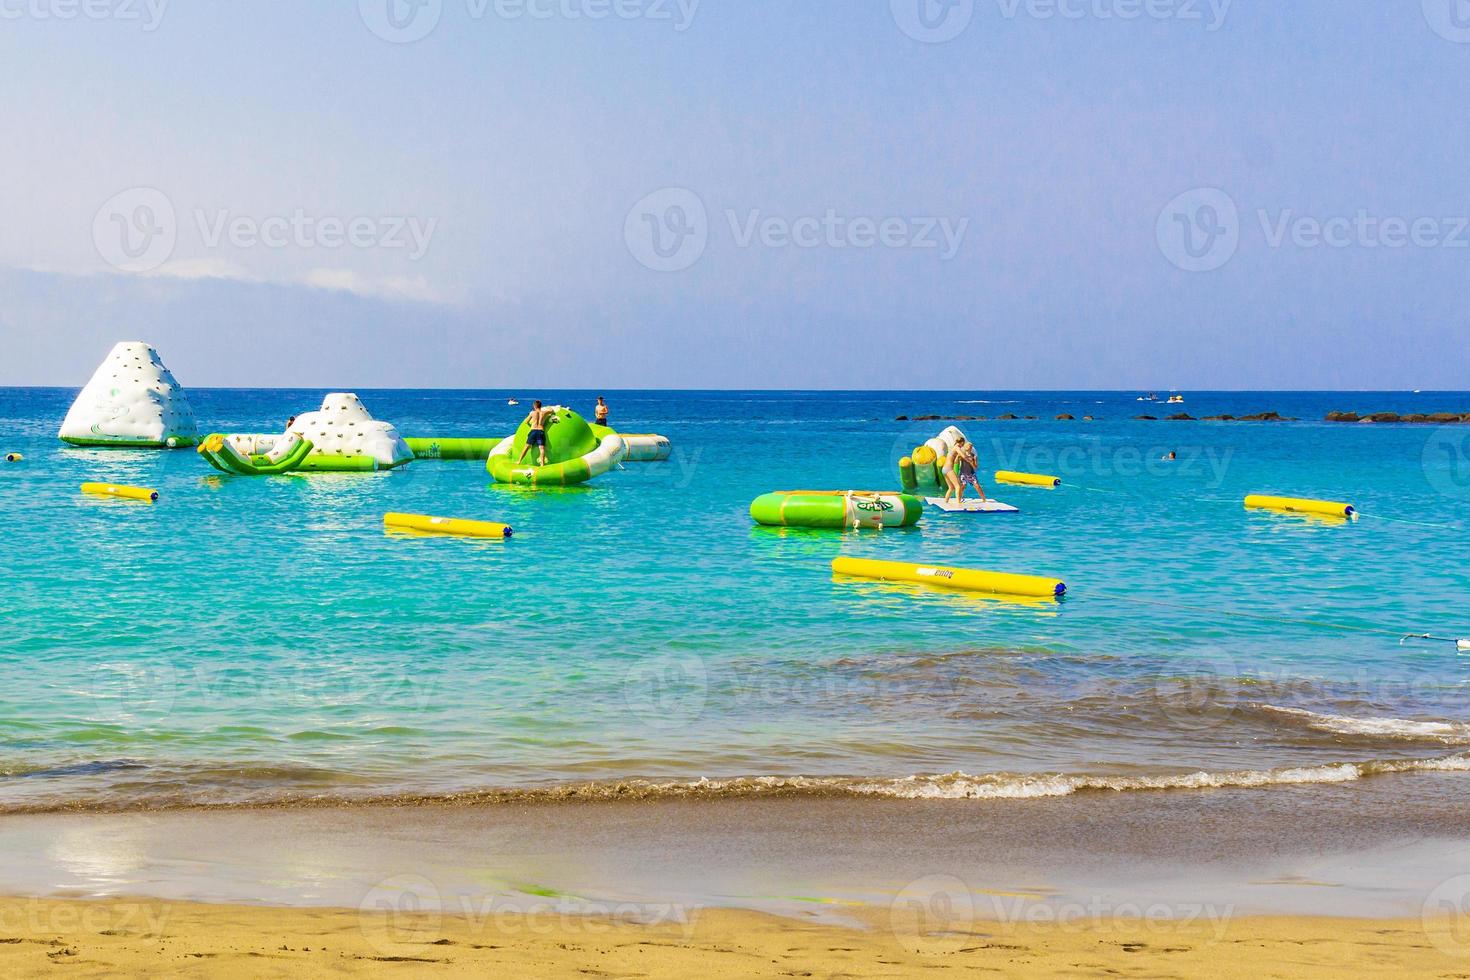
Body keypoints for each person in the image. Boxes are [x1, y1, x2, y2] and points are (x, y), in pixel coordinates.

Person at [517, 401, 555, 466]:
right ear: (540, 406)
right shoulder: (544, 413)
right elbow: (552, 410)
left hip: (533, 431)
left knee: (526, 447)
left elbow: (526, 422)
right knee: (541, 448)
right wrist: (549, 407)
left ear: (534, 406)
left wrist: (531, 426)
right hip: (540, 431)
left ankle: (519, 461)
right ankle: (542, 464)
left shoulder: (532, 413)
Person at [953, 437, 988, 504]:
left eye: (970, 446)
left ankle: (984, 499)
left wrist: (971, 462)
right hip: (963, 473)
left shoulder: (974, 456)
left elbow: (975, 468)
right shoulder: (962, 455)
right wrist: (957, 456)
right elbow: (955, 462)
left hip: (971, 474)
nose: (968, 447)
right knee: (962, 486)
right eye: (967, 446)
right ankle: (959, 500)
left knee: (977, 486)